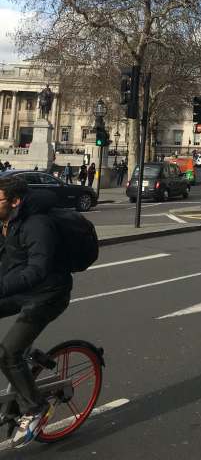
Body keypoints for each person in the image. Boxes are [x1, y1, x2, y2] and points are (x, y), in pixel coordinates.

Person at [0, 175, 72, 446]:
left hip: (48, 295)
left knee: (7, 353)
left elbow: (37, 270)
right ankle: (31, 357)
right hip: (20, 290)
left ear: (15, 201)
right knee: (14, 352)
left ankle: (34, 408)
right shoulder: (6, 222)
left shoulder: (37, 225)